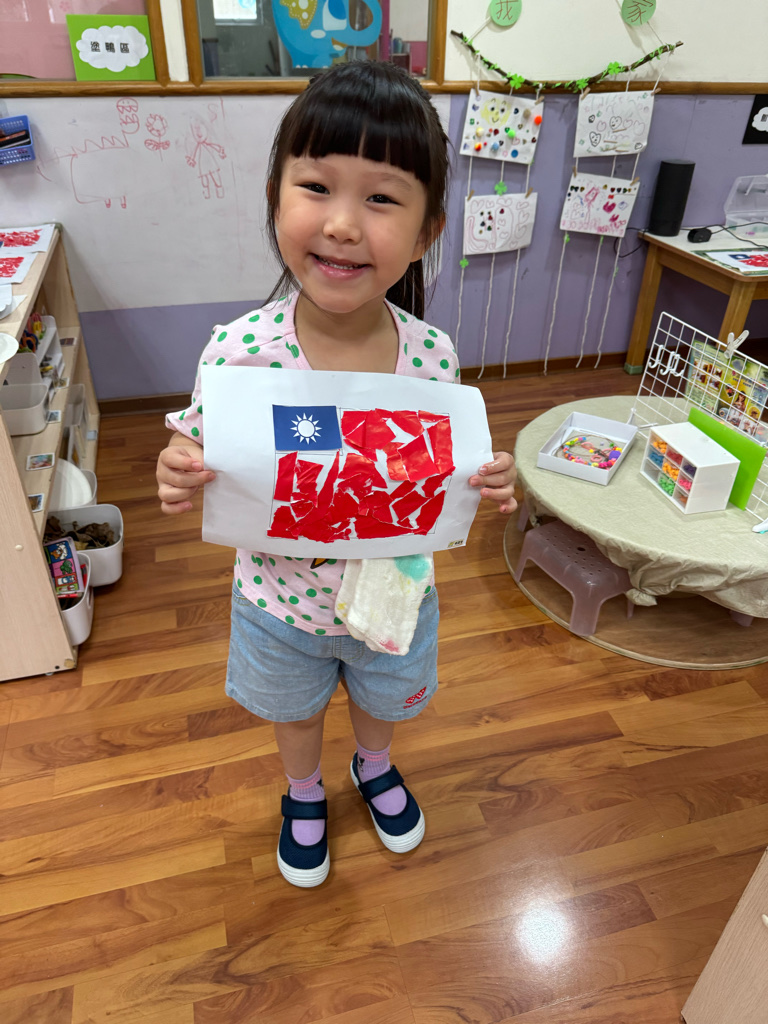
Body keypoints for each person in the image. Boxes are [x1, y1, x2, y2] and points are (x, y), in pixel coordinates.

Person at [156, 60, 517, 888]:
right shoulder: (239, 351)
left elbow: (438, 466)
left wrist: (486, 478)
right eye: (316, 187)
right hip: (278, 601)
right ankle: (303, 789)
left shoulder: (432, 356)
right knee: (293, 709)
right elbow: (193, 444)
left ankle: (373, 765)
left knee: (384, 700)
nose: (344, 224)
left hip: (393, 595)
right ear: (276, 198)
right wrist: (178, 470)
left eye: (382, 198)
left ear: (426, 233)